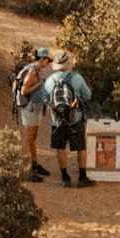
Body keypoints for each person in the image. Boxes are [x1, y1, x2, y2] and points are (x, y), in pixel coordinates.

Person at [41, 48, 94, 187]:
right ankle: (82, 178)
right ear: (68, 62)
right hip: (75, 118)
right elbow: (88, 95)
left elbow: (45, 98)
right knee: (81, 147)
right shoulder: (77, 78)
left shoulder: (50, 80)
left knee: (60, 147)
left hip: (57, 120)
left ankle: (65, 178)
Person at [13, 46, 52, 181]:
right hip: (30, 108)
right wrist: (39, 84)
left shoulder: (35, 69)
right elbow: (24, 91)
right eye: (48, 60)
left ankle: (34, 165)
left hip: (34, 108)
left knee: (32, 139)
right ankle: (25, 170)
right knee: (29, 139)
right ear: (42, 58)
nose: (49, 64)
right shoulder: (33, 71)